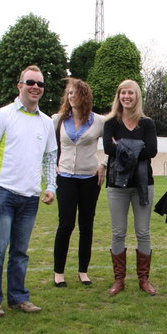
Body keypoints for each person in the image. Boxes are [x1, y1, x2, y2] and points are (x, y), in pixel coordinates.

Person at [0, 65, 57, 317]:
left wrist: (51, 186)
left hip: (30, 196)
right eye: (30, 82)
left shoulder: (46, 122)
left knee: (20, 252)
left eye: (40, 84)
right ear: (19, 85)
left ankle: (18, 297)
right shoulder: (3, 116)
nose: (36, 87)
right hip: (1, 192)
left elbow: (50, 157)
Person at [103, 79, 157, 296]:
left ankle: (144, 279)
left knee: (143, 232)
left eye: (131, 93)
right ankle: (119, 280)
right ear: (119, 96)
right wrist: (135, 146)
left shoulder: (147, 123)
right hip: (117, 185)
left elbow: (151, 150)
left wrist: (122, 146)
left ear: (137, 96)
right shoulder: (110, 123)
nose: (126, 96)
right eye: (123, 93)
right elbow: (108, 148)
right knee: (118, 232)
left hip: (143, 184)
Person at [52, 78, 106, 288]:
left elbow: (114, 145)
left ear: (84, 96)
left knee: (86, 226)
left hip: (90, 181)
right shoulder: (57, 120)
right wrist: (52, 166)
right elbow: (45, 146)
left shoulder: (99, 121)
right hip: (65, 178)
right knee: (65, 225)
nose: (71, 96)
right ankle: (59, 273)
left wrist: (104, 164)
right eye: (69, 93)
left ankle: (83, 271)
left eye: (75, 93)